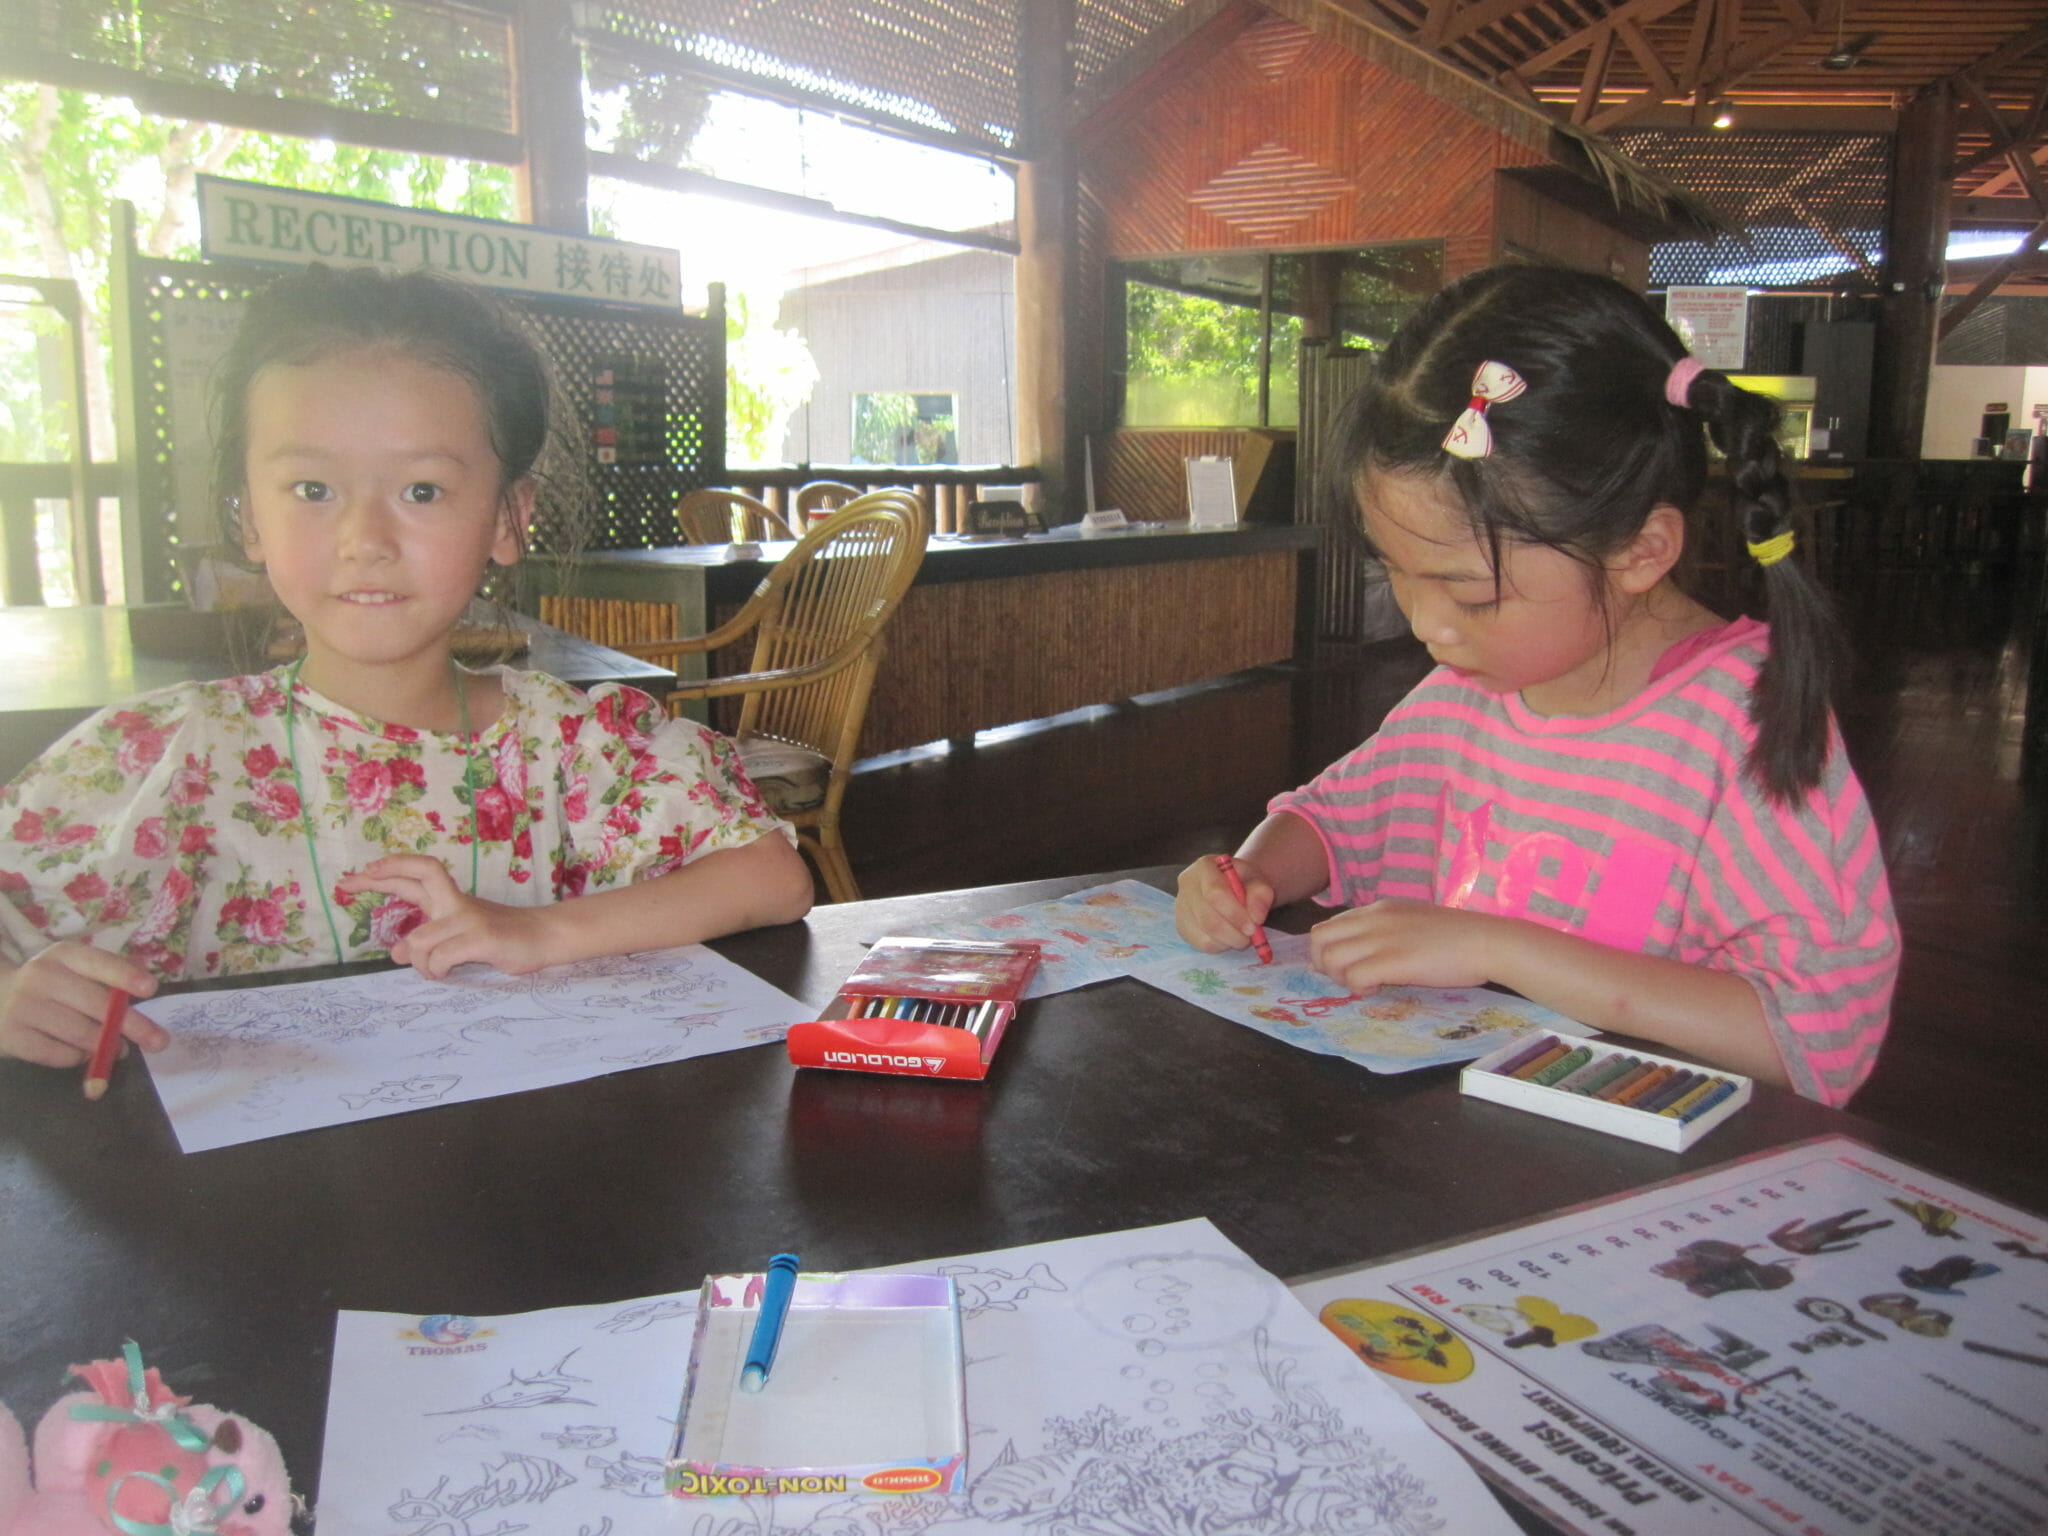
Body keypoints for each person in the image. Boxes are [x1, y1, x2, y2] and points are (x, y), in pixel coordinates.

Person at [0, 264, 813, 1069]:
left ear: (507, 517)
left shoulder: (570, 747)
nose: (366, 540)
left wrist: (537, 930)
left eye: (422, 492)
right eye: (311, 488)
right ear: (248, 519)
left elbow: (770, 877)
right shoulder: (166, 754)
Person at [1176, 265, 1896, 1106]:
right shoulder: (1469, 694)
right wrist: (1249, 873)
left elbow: (1813, 1038)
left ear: (1640, 552)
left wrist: (1497, 947)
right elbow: (1335, 819)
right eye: (1396, 571)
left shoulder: (1745, 730)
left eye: (1472, 594)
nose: (1425, 624)